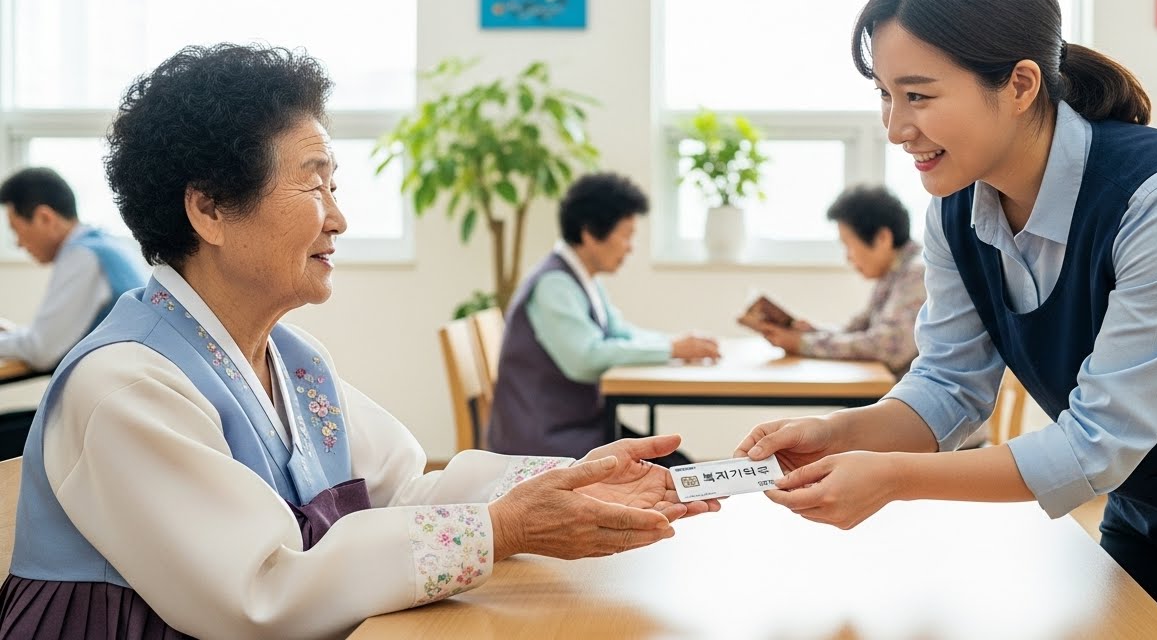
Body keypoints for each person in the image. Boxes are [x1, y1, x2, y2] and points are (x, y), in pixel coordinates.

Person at [736, 0, 1157, 639]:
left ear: (1020, 85)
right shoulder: (955, 209)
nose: (894, 127)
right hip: (1152, 502)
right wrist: (838, 433)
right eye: (884, 95)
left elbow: (1098, 442)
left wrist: (889, 478)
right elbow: (948, 385)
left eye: (918, 95)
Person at [0, 44, 718, 640]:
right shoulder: (126, 387)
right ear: (210, 208)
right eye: (314, 187)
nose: (338, 219)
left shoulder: (294, 360)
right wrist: (498, 530)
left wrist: (563, 484)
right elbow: (262, 593)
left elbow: (406, 489)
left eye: (334, 187)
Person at [486, 172, 719, 464]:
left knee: (676, 462)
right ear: (590, 233)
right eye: (625, 235)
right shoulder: (554, 284)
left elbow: (619, 332)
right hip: (545, 441)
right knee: (675, 468)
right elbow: (585, 359)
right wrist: (672, 349)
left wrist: (676, 344)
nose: (630, 247)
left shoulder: (582, 278)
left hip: (574, 427)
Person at [757, 184, 926, 378]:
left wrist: (803, 344)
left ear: (882, 238)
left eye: (848, 245)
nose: (848, 258)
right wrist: (812, 331)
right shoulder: (894, 272)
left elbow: (888, 347)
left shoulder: (917, 274)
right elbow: (859, 328)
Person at [0, 166, 148, 371]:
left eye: (16, 230)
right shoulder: (105, 244)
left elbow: (41, 350)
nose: (18, 244)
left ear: (45, 218)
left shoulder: (82, 256)